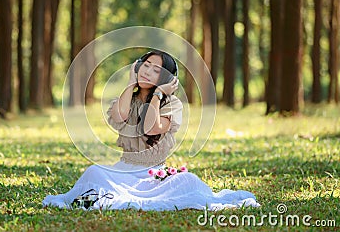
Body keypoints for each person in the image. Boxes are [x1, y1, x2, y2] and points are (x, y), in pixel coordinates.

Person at [43, 50, 260, 211]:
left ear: (165, 78)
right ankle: (93, 200)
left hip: (153, 174)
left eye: (156, 70)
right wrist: (130, 81)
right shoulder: (129, 97)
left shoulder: (172, 105)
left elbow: (151, 127)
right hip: (123, 170)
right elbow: (120, 117)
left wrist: (157, 95)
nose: (147, 72)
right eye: (145, 65)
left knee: (189, 181)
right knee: (94, 172)